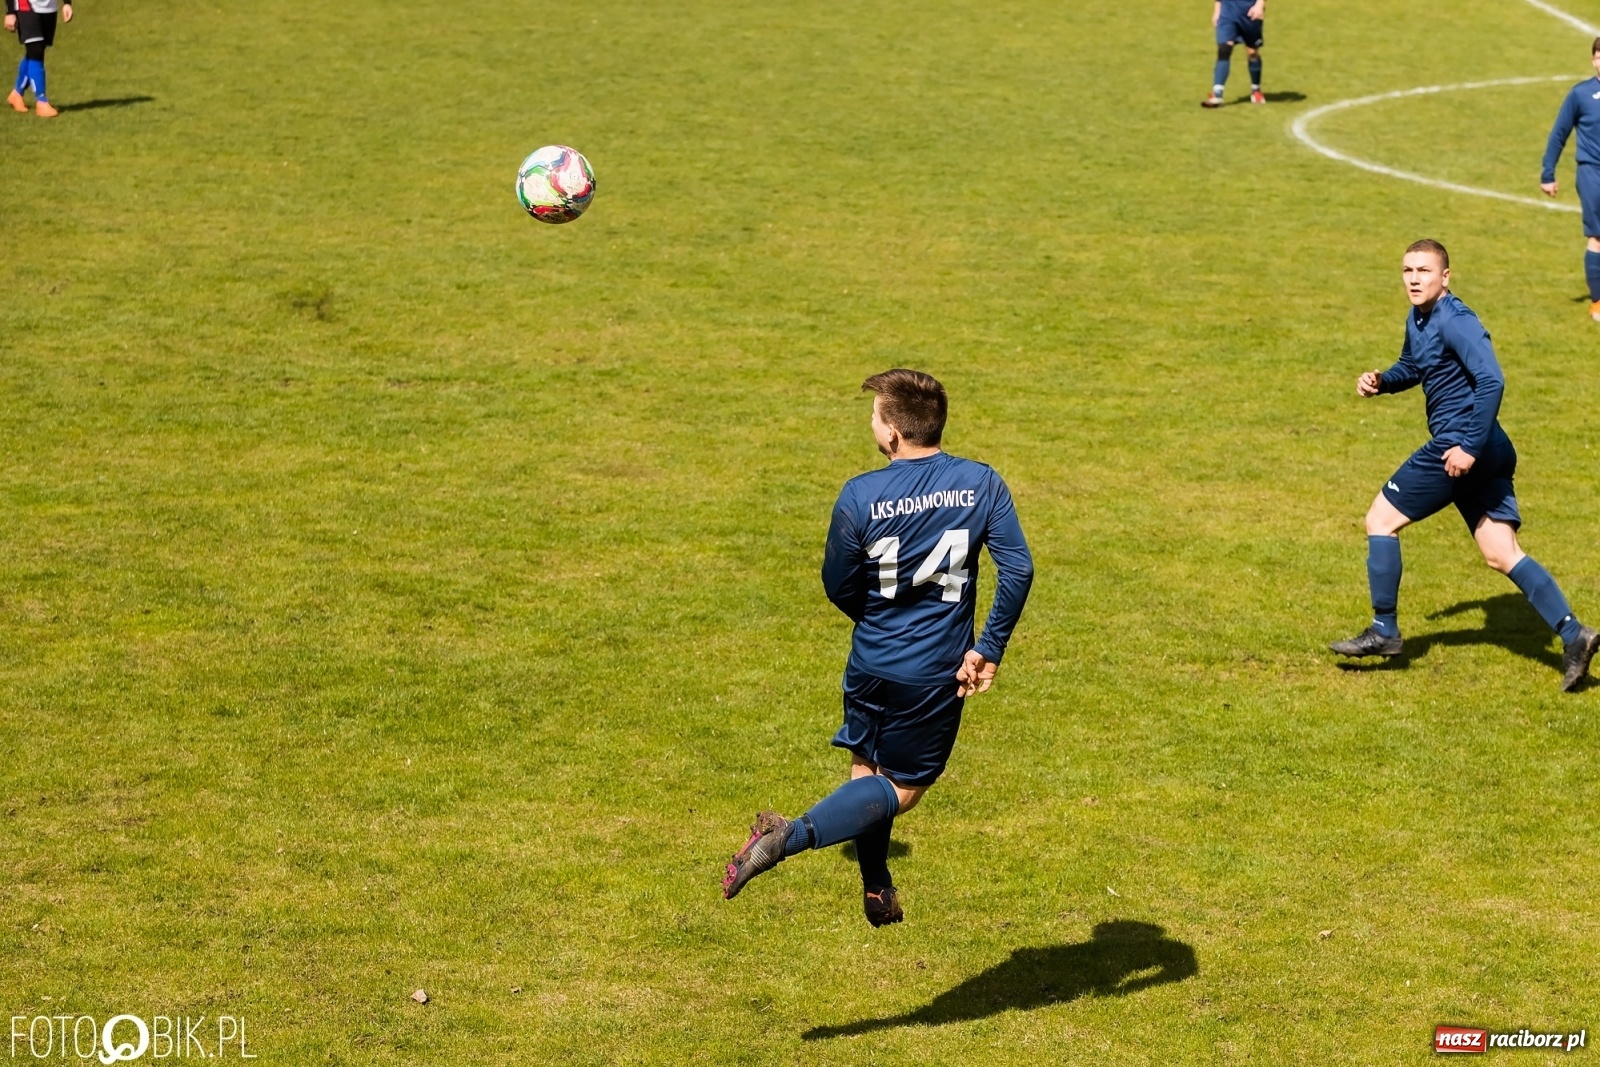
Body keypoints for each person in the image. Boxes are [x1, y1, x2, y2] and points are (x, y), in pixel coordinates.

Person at [721, 369, 1034, 926]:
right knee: (904, 788)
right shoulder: (982, 483)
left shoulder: (860, 494)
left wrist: (879, 623)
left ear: (891, 433)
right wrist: (987, 647)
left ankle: (876, 885)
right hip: (934, 671)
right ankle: (787, 837)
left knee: (866, 771)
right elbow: (1018, 570)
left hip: (869, 661)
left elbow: (837, 583)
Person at [1330, 239, 1598, 691]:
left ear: (1445, 277)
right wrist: (1383, 381)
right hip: (1487, 446)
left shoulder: (1456, 320)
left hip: (1462, 445)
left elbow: (1493, 380)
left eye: (1424, 271)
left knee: (1380, 519)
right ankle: (1576, 636)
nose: (1414, 279)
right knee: (1500, 551)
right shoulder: (1418, 317)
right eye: (1407, 270)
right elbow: (1415, 366)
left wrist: (1468, 447)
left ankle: (1384, 630)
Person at [1540, 38, 1600, 322]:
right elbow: (1559, 134)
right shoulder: (1581, 94)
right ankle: (1598, 303)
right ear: (1593, 60)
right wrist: (1548, 173)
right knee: (1598, 237)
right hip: (1592, 173)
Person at [5, 0, 72, 118]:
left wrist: (67, 3)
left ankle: (16, 94)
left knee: (36, 51)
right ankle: (41, 101)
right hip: (25, 5)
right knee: (35, 50)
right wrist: (10, 12)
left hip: (49, 8)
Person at [1202, 0, 1265, 109]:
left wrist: (1260, 5)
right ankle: (1217, 94)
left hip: (1250, 12)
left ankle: (1256, 90)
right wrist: (1217, 11)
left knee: (1252, 53)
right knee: (1224, 50)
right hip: (1227, 12)